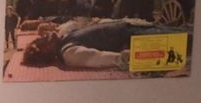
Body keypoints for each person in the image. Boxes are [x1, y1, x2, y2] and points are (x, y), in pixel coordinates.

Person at [21, 18, 191, 70]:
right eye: (42, 41)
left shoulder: (64, 39)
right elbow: (98, 58)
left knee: (187, 32)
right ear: (45, 52)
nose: (47, 36)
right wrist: (134, 57)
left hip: (135, 29)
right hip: (136, 38)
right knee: (190, 40)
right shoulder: (69, 52)